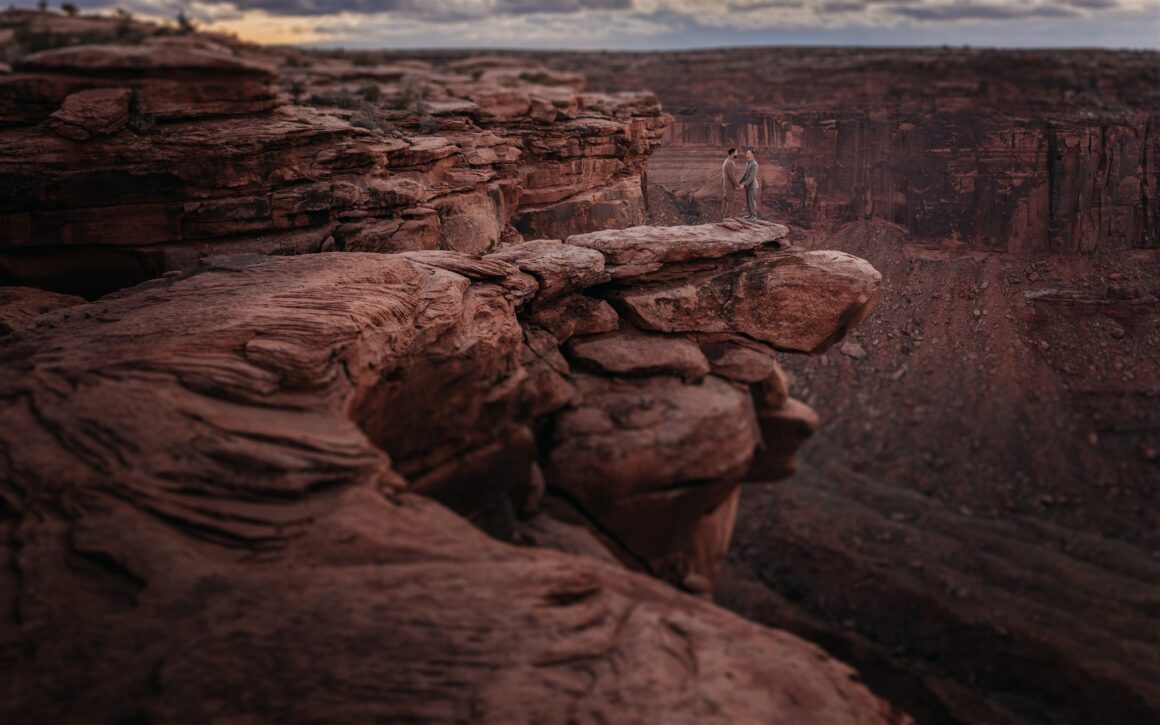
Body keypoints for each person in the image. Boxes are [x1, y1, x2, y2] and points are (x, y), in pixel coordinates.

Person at [738, 149, 760, 220]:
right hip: (748, 186)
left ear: (752, 155)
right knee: (748, 201)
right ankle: (750, 215)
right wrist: (739, 182)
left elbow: (752, 177)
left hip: (752, 186)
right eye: (747, 153)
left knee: (752, 201)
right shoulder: (747, 163)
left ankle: (754, 216)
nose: (746, 154)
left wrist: (744, 184)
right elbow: (745, 175)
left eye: (748, 153)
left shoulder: (754, 164)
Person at [720, 147, 740, 220]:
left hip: (725, 184)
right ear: (732, 153)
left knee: (726, 200)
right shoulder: (730, 162)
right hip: (729, 185)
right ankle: (727, 216)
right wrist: (738, 185)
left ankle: (724, 216)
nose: (737, 154)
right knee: (731, 200)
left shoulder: (726, 160)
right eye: (736, 152)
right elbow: (732, 176)